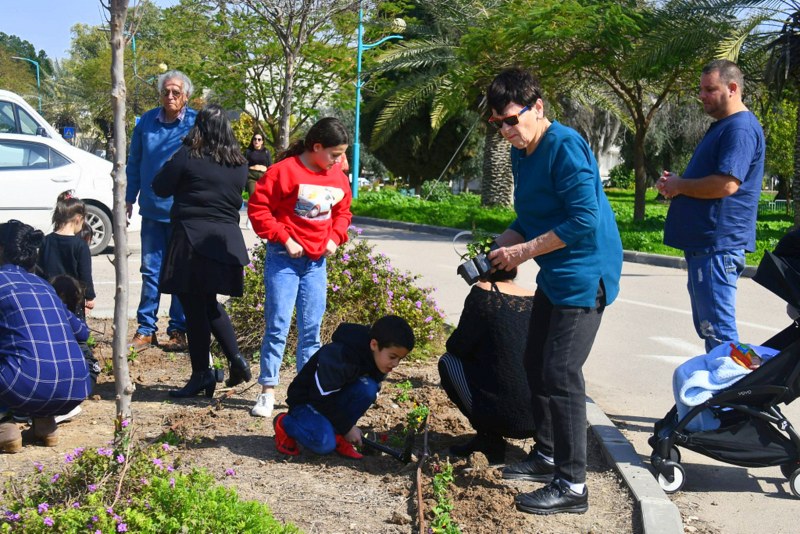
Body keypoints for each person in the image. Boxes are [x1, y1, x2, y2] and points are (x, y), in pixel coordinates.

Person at [484, 67, 623, 515]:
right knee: (535, 361)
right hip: (556, 272)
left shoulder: (565, 146)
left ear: (537, 107)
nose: (506, 130)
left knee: (561, 374)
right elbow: (531, 216)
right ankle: (546, 456)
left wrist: (523, 252)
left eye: (512, 119)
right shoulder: (522, 152)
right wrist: (505, 242)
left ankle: (573, 485)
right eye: (498, 123)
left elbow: (582, 218)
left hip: (586, 273)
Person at [656, 59, 765, 353]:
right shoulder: (725, 127)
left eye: (709, 89)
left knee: (720, 337)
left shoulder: (739, 129)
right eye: (701, 89)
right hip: (707, 246)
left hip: (717, 246)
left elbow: (726, 184)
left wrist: (680, 185)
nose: (701, 95)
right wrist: (675, 184)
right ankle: (733, 394)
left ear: (732, 88)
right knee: (715, 333)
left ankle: (739, 396)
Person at [247, 117, 353, 418]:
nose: (339, 161)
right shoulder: (284, 172)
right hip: (285, 259)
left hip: (316, 264)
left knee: (311, 331)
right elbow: (258, 209)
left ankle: (306, 394)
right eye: (334, 154)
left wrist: (335, 237)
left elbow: (344, 213)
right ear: (316, 147)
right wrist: (284, 238)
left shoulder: (337, 177)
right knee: (278, 325)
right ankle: (267, 391)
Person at [152, 104, 252, 398]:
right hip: (225, 241)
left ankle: (201, 374)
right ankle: (236, 359)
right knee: (208, 303)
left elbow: (160, 186)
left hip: (192, 239)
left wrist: (181, 149)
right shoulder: (239, 163)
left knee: (195, 309)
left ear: (200, 128)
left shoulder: (189, 156)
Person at [0, 220, 91, 453]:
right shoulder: (44, 286)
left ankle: (4, 426)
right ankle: (44, 425)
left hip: (22, 384)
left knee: (17, 351)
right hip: (76, 386)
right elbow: (82, 331)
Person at [126, 70, 198, 352]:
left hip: (184, 213)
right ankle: (146, 329)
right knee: (151, 271)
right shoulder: (146, 121)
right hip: (153, 212)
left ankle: (178, 329)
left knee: (180, 271)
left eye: (176, 92)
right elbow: (135, 162)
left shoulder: (194, 123)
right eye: (165, 91)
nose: (170, 96)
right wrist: (128, 197)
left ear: (186, 96)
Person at [273, 315, 415, 458]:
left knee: (368, 388)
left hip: (330, 401)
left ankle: (337, 435)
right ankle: (285, 423)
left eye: (400, 359)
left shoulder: (377, 360)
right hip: (307, 403)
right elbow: (320, 398)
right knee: (324, 444)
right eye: (392, 357)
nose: (396, 364)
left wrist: (344, 427)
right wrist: (347, 427)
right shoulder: (340, 356)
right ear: (374, 345)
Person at [438, 267, 536, 465]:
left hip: (498, 414)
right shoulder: (535, 297)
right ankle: (544, 448)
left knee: (447, 362)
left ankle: (488, 439)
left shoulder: (484, 292)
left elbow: (457, 346)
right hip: (538, 418)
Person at [37, 190, 95, 319]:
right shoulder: (80, 245)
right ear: (78, 218)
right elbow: (85, 274)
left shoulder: (46, 240)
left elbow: (39, 269)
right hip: (73, 296)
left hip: (49, 294)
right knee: (74, 325)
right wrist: (90, 296)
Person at [245, 133, 272, 198]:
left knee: (263, 197)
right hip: (251, 176)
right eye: (255, 139)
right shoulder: (248, 151)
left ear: (262, 142)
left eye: (259, 139)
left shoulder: (266, 151)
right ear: (252, 141)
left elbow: (270, 165)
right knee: (253, 196)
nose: (256, 141)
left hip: (263, 176)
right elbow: (244, 164)